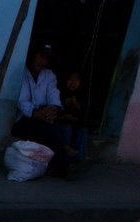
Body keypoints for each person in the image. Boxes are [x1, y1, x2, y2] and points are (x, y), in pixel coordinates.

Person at [11, 43, 85, 178]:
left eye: (46, 59)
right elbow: (22, 102)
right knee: (48, 132)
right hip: (25, 118)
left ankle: (64, 162)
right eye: (41, 57)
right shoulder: (22, 73)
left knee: (57, 129)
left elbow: (54, 96)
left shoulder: (49, 75)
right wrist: (36, 114)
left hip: (44, 116)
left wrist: (52, 109)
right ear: (33, 56)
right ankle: (65, 159)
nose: (42, 62)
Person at [57, 69, 89, 162]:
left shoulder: (82, 95)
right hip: (60, 122)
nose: (73, 83)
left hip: (74, 124)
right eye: (70, 79)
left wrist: (77, 107)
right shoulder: (59, 92)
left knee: (83, 130)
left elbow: (82, 115)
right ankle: (66, 156)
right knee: (67, 127)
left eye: (77, 80)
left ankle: (79, 159)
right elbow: (55, 109)